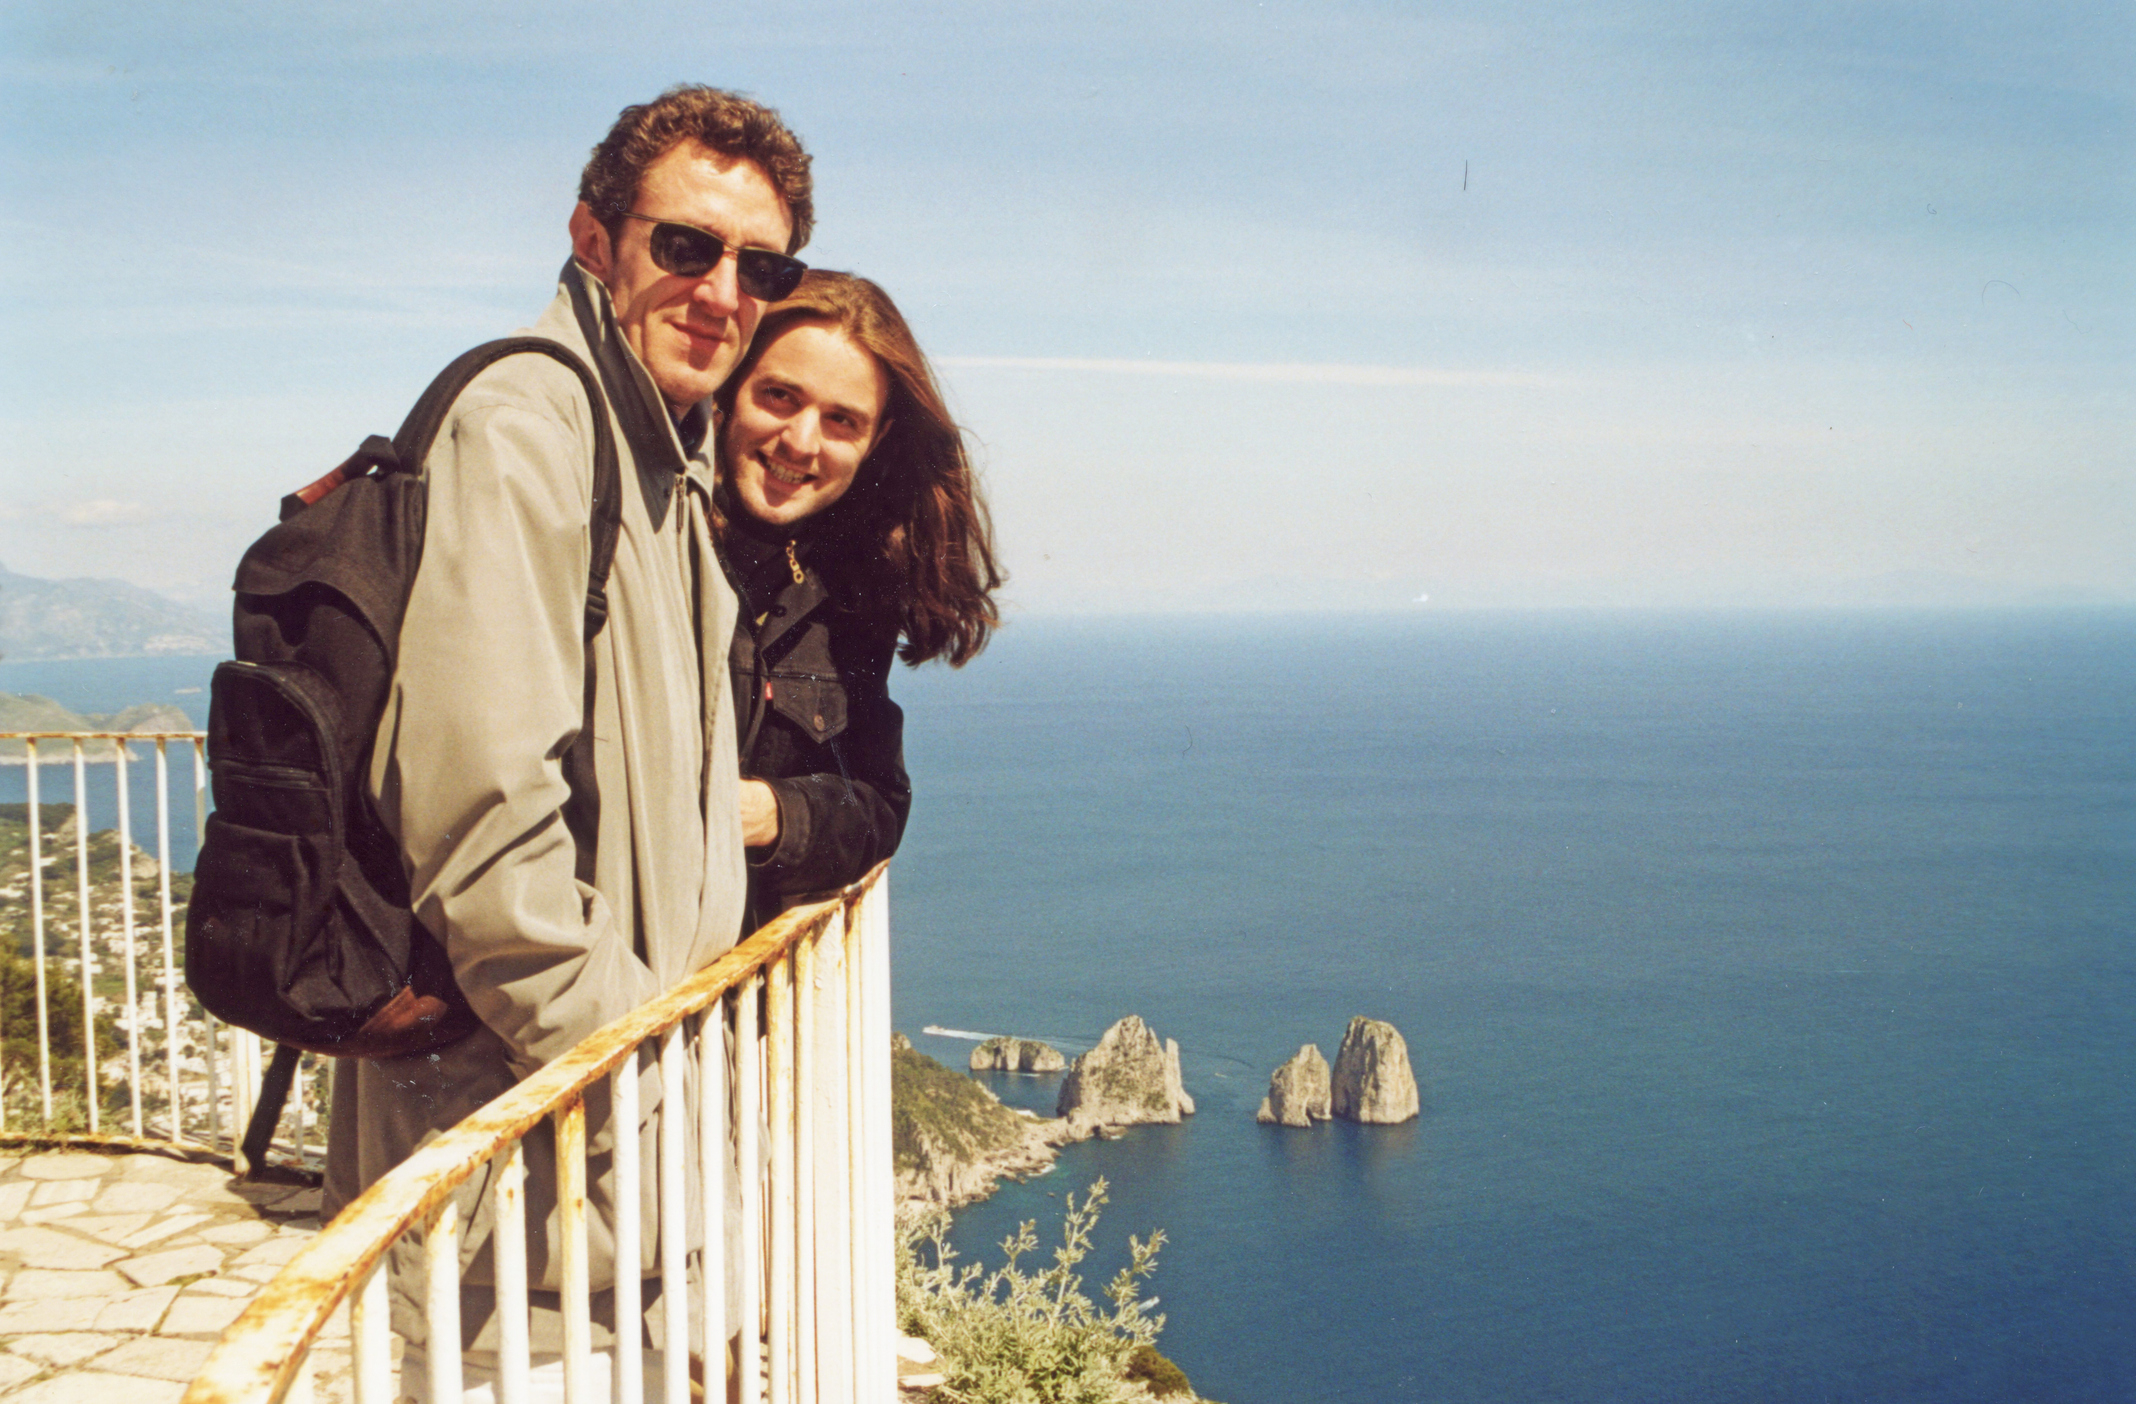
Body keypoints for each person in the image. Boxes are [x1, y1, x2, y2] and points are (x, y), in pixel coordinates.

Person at [322, 85, 813, 1380]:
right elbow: (486, 828)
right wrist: (635, 1092)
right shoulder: (534, 429)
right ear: (596, 242)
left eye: (760, 265)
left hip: (596, 1185)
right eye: (686, 246)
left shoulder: (660, 462)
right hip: (525, 1177)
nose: (722, 292)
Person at [713, 271, 1003, 927]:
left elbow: (876, 804)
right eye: (780, 397)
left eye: (841, 420)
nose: (801, 441)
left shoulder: (849, 589)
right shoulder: (654, 544)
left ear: (877, 439)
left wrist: (773, 814)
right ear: (730, 391)